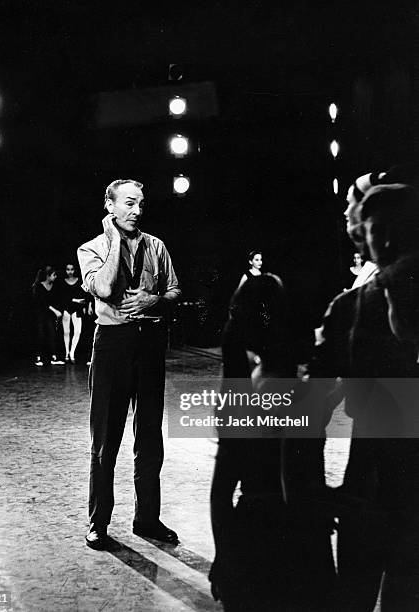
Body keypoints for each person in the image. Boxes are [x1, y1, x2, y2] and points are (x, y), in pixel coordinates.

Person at [304, 184, 419, 610]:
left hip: (370, 472)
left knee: (358, 588)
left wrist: (307, 491)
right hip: (382, 470)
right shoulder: (352, 306)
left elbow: (311, 411)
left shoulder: (351, 307)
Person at [209, 262, 336, 610]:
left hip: (252, 533)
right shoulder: (310, 397)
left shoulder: (237, 401)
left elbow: (220, 495)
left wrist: (223, 556)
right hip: (301, 538)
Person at [78, 179, 181, 550]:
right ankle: (98, 523)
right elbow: (103, 289)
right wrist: (116, 242)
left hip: (150, 344)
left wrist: (153, 301)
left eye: (141, 203)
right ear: (110, 206)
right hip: (112, 345)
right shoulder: (91, 248)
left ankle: (147, 520)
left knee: (150, 437)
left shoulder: (157, 246)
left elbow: (175, 290)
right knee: (106, 439)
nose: (137, 210)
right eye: (129, 203)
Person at [31, 265, 65, 366]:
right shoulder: (38, 287)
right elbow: (42, 303)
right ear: (48, 276)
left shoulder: (54, 286)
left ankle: (53, 357)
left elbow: (55, 300)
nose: (55, 277)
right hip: (40, 314)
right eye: (54, 275)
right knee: (41, 334)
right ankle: (38, 357)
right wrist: (55, 311)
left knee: (52, 334)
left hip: (49, 315)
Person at [59, 263, 86, 363]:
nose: (70, 272)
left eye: (72, 269)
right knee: (66, 332)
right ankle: (66, 352)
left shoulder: (79, 281)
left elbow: (84, 295)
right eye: (68, 269)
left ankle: (72, 352)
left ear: (75, 270)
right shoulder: (63, 282)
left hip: (77, 309)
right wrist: (75, 300)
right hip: (66, 308)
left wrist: (83, 305)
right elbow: (62, 297)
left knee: (77, 331)